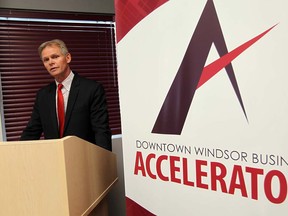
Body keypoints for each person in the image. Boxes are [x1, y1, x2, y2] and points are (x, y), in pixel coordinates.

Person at [20, 39, 112, 151]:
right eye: (46, 60)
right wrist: (16, 153)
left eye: (55, 57)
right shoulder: (43, 95)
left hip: (85, 159)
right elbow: (32, 131)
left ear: (67, 58)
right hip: (55, 160)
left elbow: (101, 131)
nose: (51, 62)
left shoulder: (92, 89)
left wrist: (102, 163)